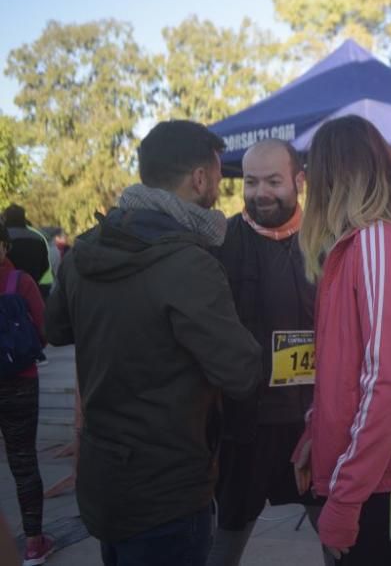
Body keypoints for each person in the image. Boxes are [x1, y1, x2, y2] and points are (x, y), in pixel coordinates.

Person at [45, 120, 261, 566]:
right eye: (219, 177)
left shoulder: (84, 251)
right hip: (170, 491)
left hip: (106, 483)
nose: (220, 188)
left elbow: (56, 330)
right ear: (199, 178)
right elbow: (242, 373)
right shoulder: (189, 264)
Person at [294, 115, 391, 565]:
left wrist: (344, 499)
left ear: (332, 175)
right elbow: (343, 371)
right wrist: (314, 434)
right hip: (374, 478)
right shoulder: (359, 246)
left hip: (390, 477)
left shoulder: (379, 242)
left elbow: (386, 380)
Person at [207, 139, 327, 566]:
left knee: (337, 537)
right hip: (246, 425)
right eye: (252, 181)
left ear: (299, 181)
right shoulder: (221, 243)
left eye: (274, 181)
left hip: (317, 424)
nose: (261, 192)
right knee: (226, 540)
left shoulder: (326, 239)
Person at [0, 220, 55, 565]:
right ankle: (34, 542)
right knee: (23, 461)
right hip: (20, 380)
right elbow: (44, 330)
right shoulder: (20, 282)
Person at [2, 205, 53, 298]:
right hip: (33, 292)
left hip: (6, 293)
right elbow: (45, 267)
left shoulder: (3, 239)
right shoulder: (38, 239)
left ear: (6, 218)